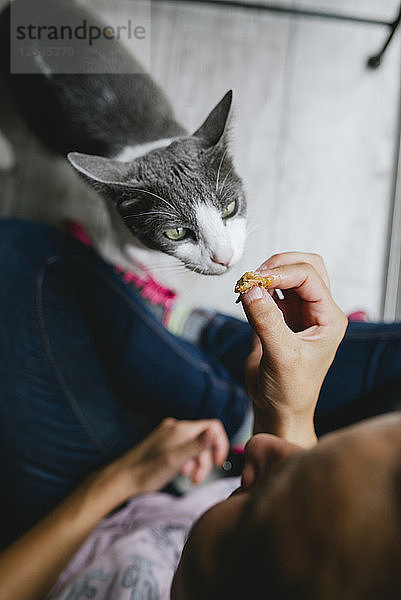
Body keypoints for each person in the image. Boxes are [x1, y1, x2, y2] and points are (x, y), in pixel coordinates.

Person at [0, 218, 400, 599]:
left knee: (26, 257)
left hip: (93, 517)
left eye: (253, 514)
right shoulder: (279, 514)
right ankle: (222, 378)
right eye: (314, 454)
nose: (268, 448)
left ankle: (204, 343)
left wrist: (122, 478)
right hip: (188, 466)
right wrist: (285, 414)